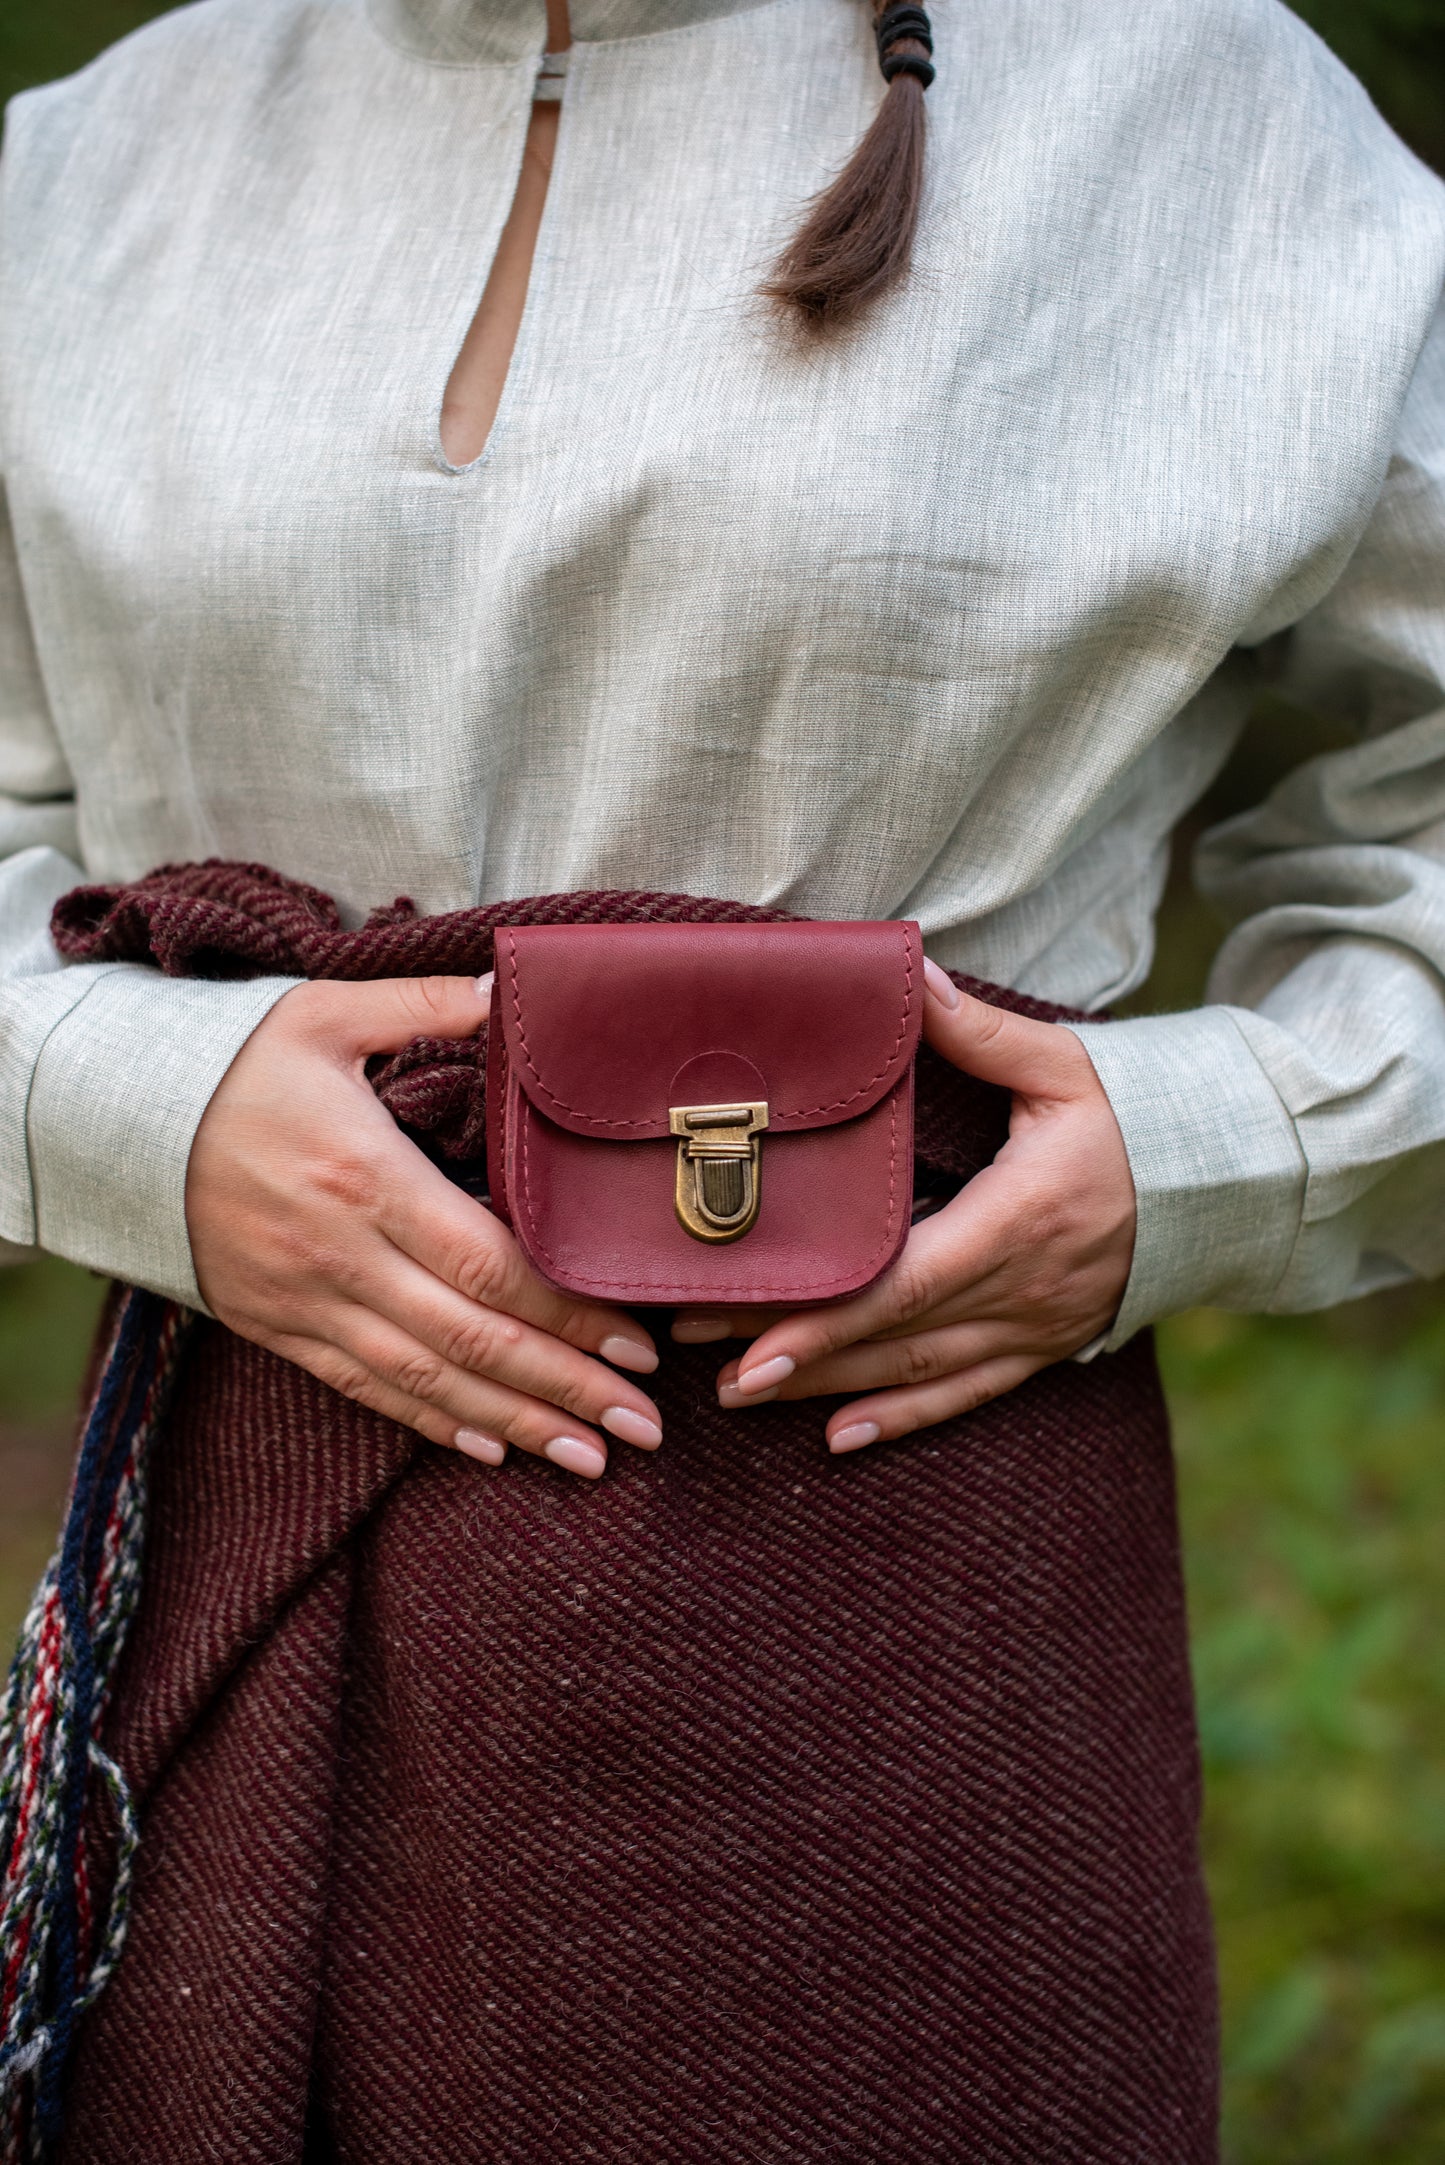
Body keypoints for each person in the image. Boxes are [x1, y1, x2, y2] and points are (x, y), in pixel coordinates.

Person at [1, 0, 1443, 2155]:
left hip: (889, 1529)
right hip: (228, 1498)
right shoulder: (86, 160)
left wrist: (1205, 1152)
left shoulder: (1202, 107)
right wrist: (126, 1107)